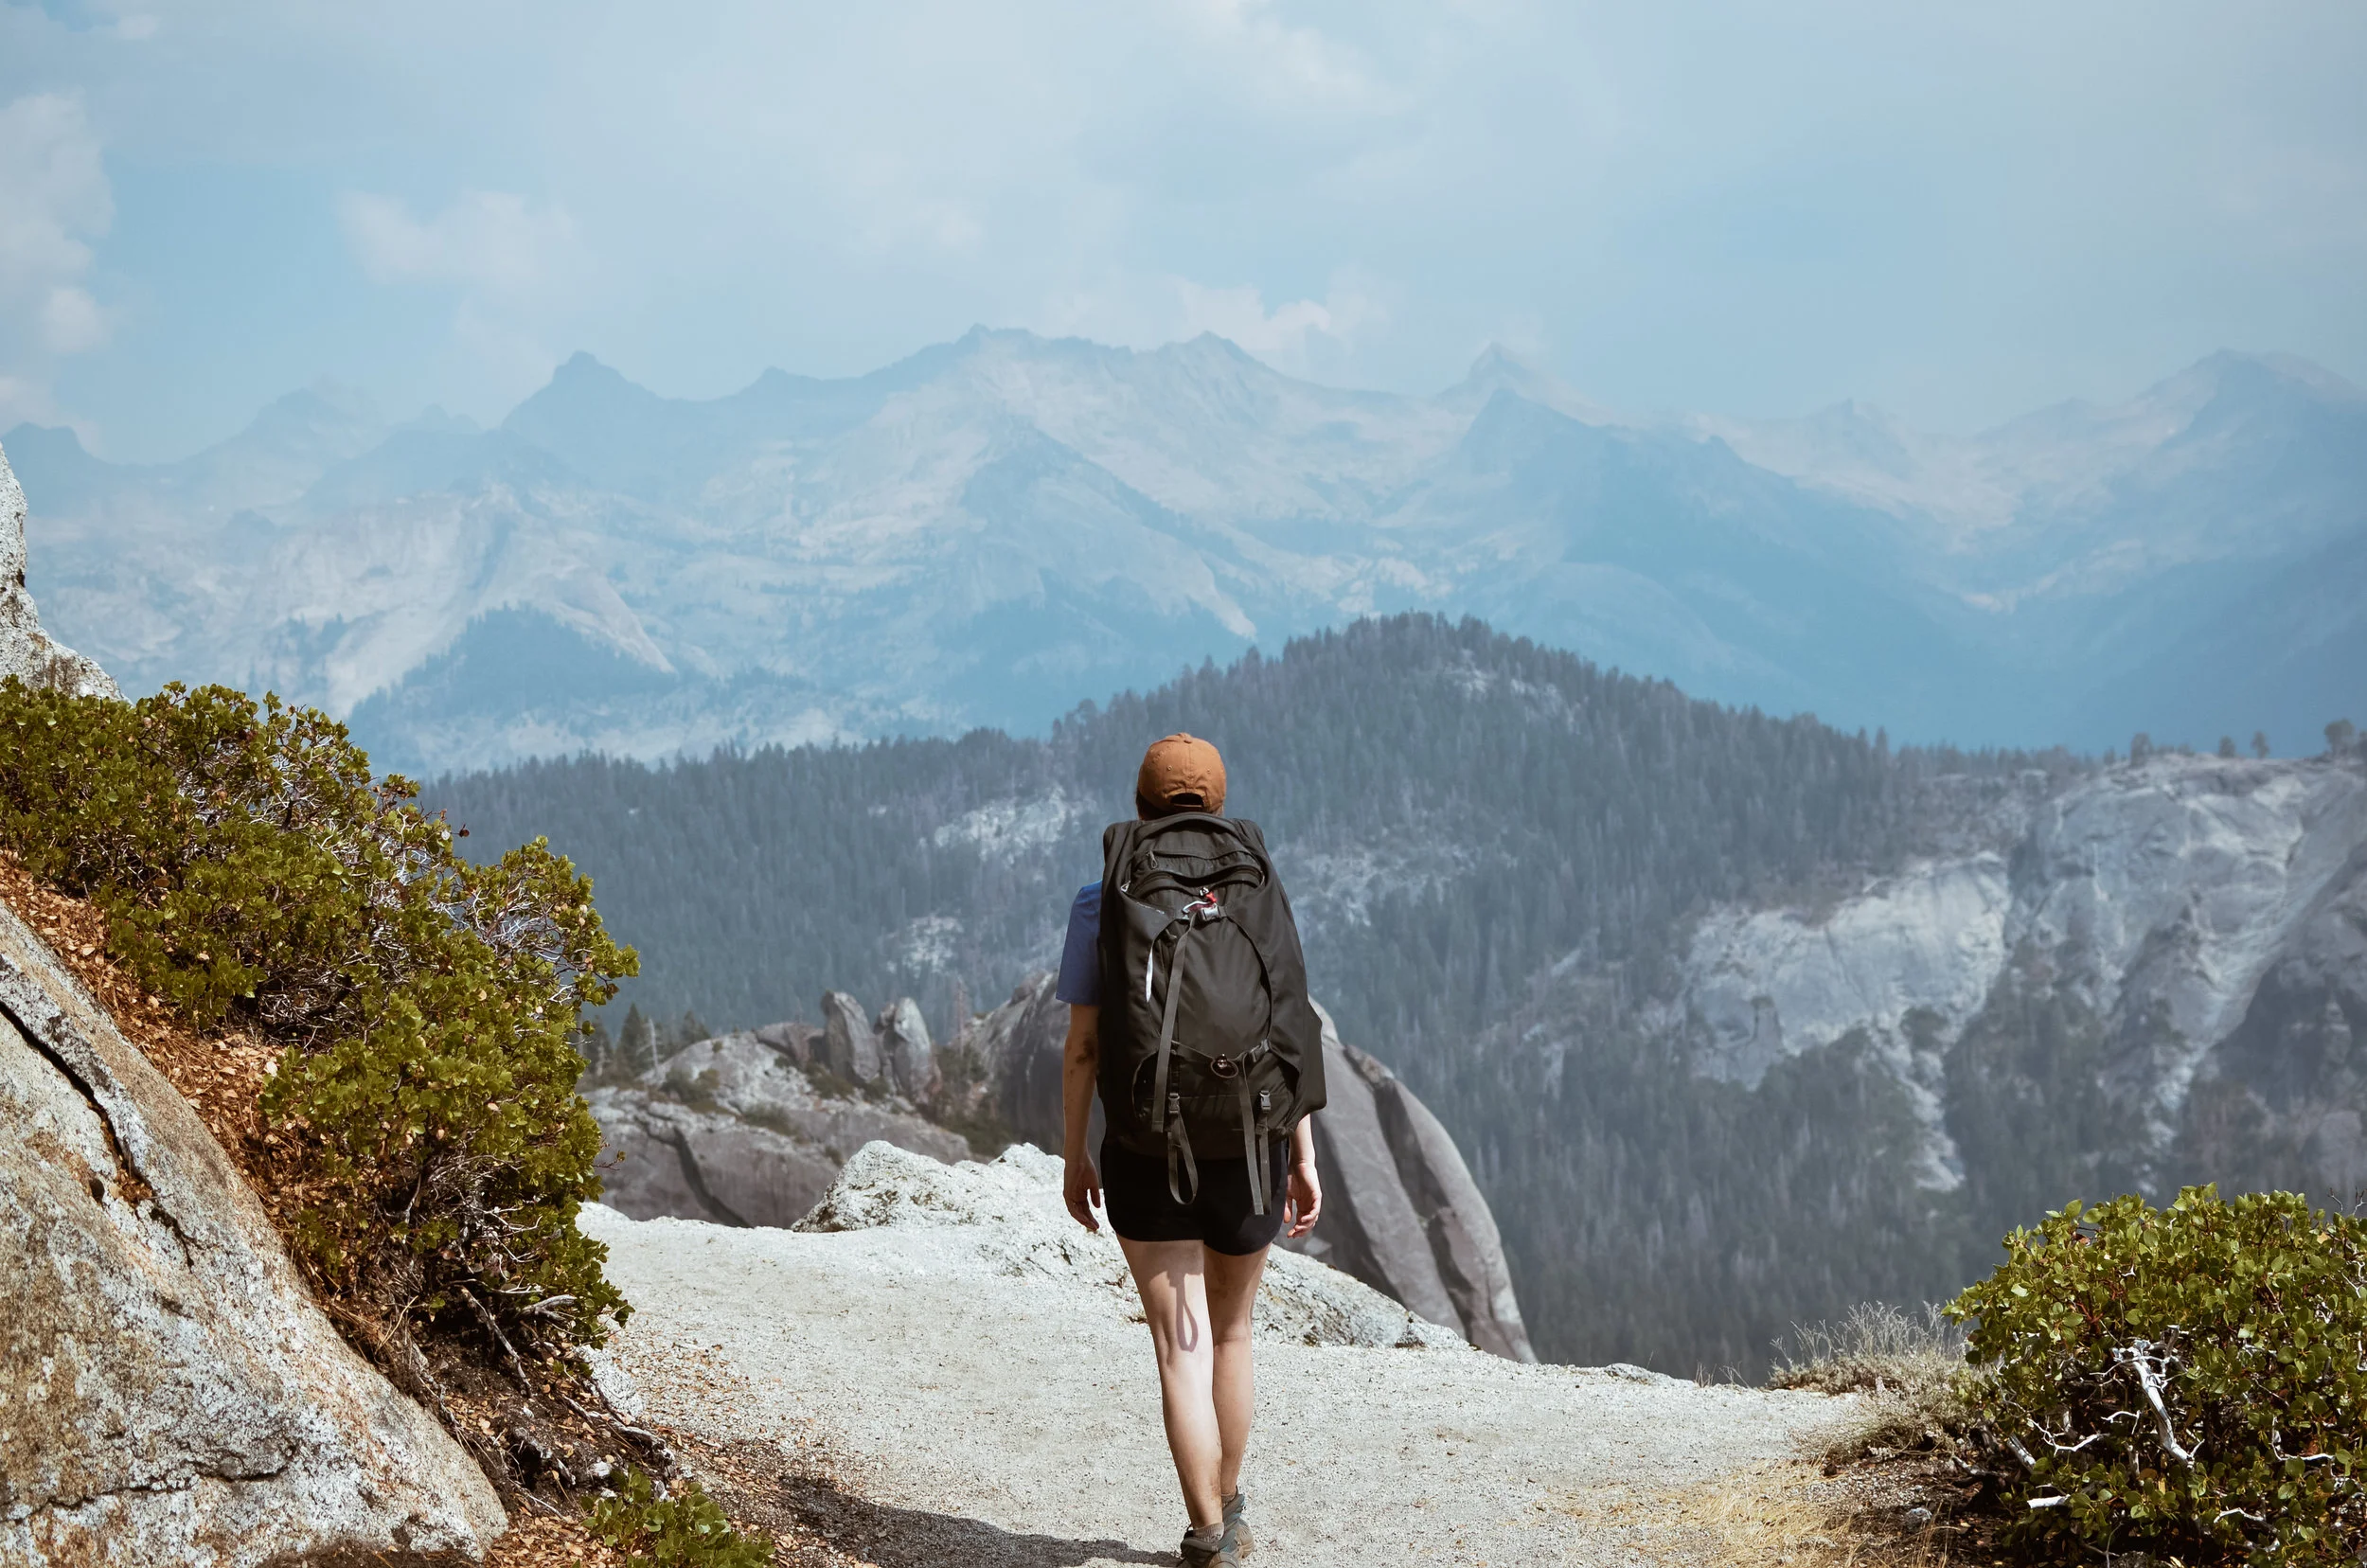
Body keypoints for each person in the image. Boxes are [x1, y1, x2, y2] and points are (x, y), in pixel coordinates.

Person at [1059, 733, 1324, 1568]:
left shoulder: (1101, 899)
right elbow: (1290, 1022)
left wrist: (1076, 1153)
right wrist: (1303, 1148)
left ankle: (1207, 1529)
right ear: (1215, 803)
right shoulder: (1256, 886)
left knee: (1181, 1342)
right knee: (1235, 1334)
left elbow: (1083, 1047)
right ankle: (1231, 1502)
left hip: (1144, 1143)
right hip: (1252, 1143)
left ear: (1140, 807)